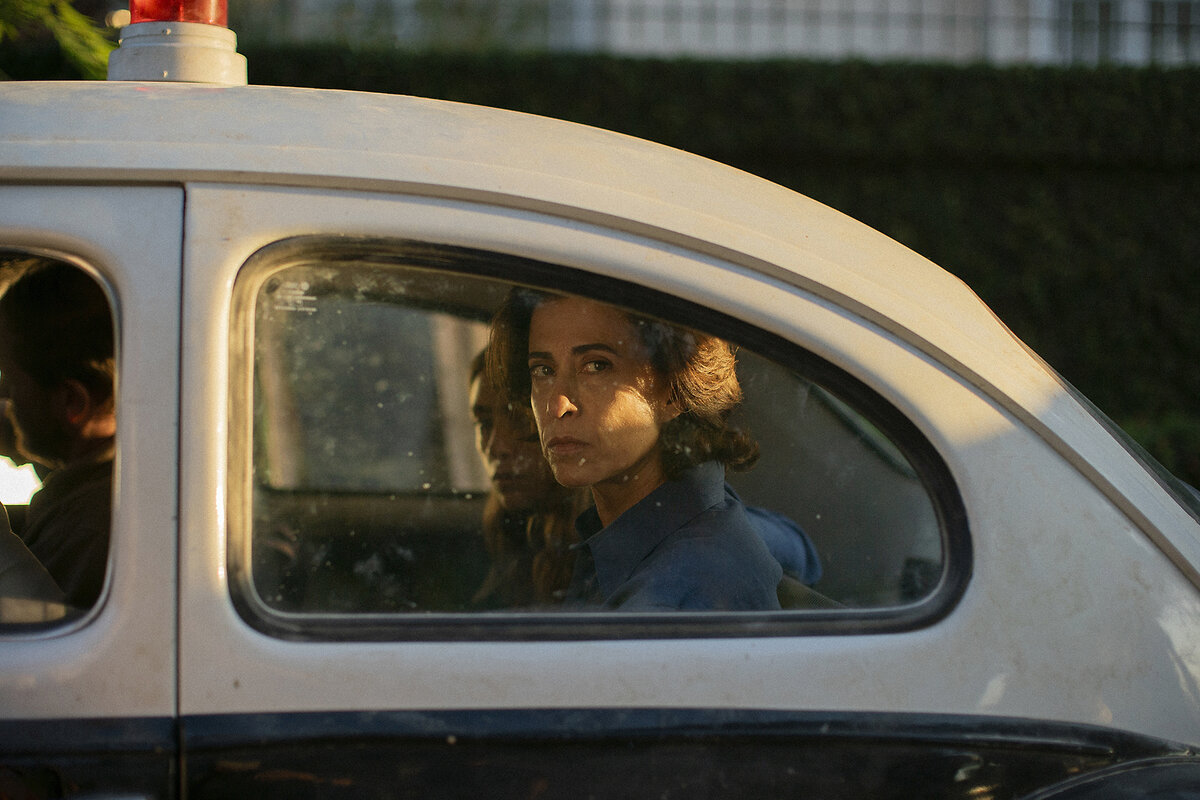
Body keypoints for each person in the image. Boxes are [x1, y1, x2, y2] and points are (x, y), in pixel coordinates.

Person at [489, 289, 782, 611]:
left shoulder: (679, 586)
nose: (558, 405)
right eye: (543, 370)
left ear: (673, 390)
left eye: (596, 366)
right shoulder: (686, 527)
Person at [0, 257, 115, 608]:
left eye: (12, 384)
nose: (6, 400)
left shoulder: (91, 531)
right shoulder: (103, 487)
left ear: (72, 402)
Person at [467, 348, 588, 608]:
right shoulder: (506, 535)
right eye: (484, 423)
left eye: (519, 419)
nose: (497, 446)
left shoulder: (592, 551)